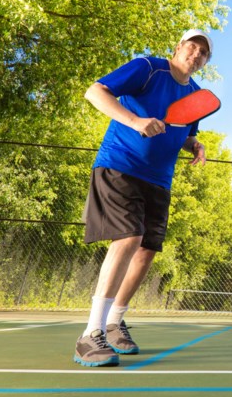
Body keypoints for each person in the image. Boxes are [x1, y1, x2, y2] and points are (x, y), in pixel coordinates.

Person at [74, 29, 213, 367]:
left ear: (205, 62)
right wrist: (135, 121)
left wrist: (193, 145)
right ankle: (90, 335)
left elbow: (179, 131)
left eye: (203, 53)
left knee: (146, 251)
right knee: (128, 237)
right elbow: (95, 92)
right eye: (192, 47)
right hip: (120, 165)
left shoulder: (196, 96)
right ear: (179, 47)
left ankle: (114, 321)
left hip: (159, 180)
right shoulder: (148, 68)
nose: (195, 54)